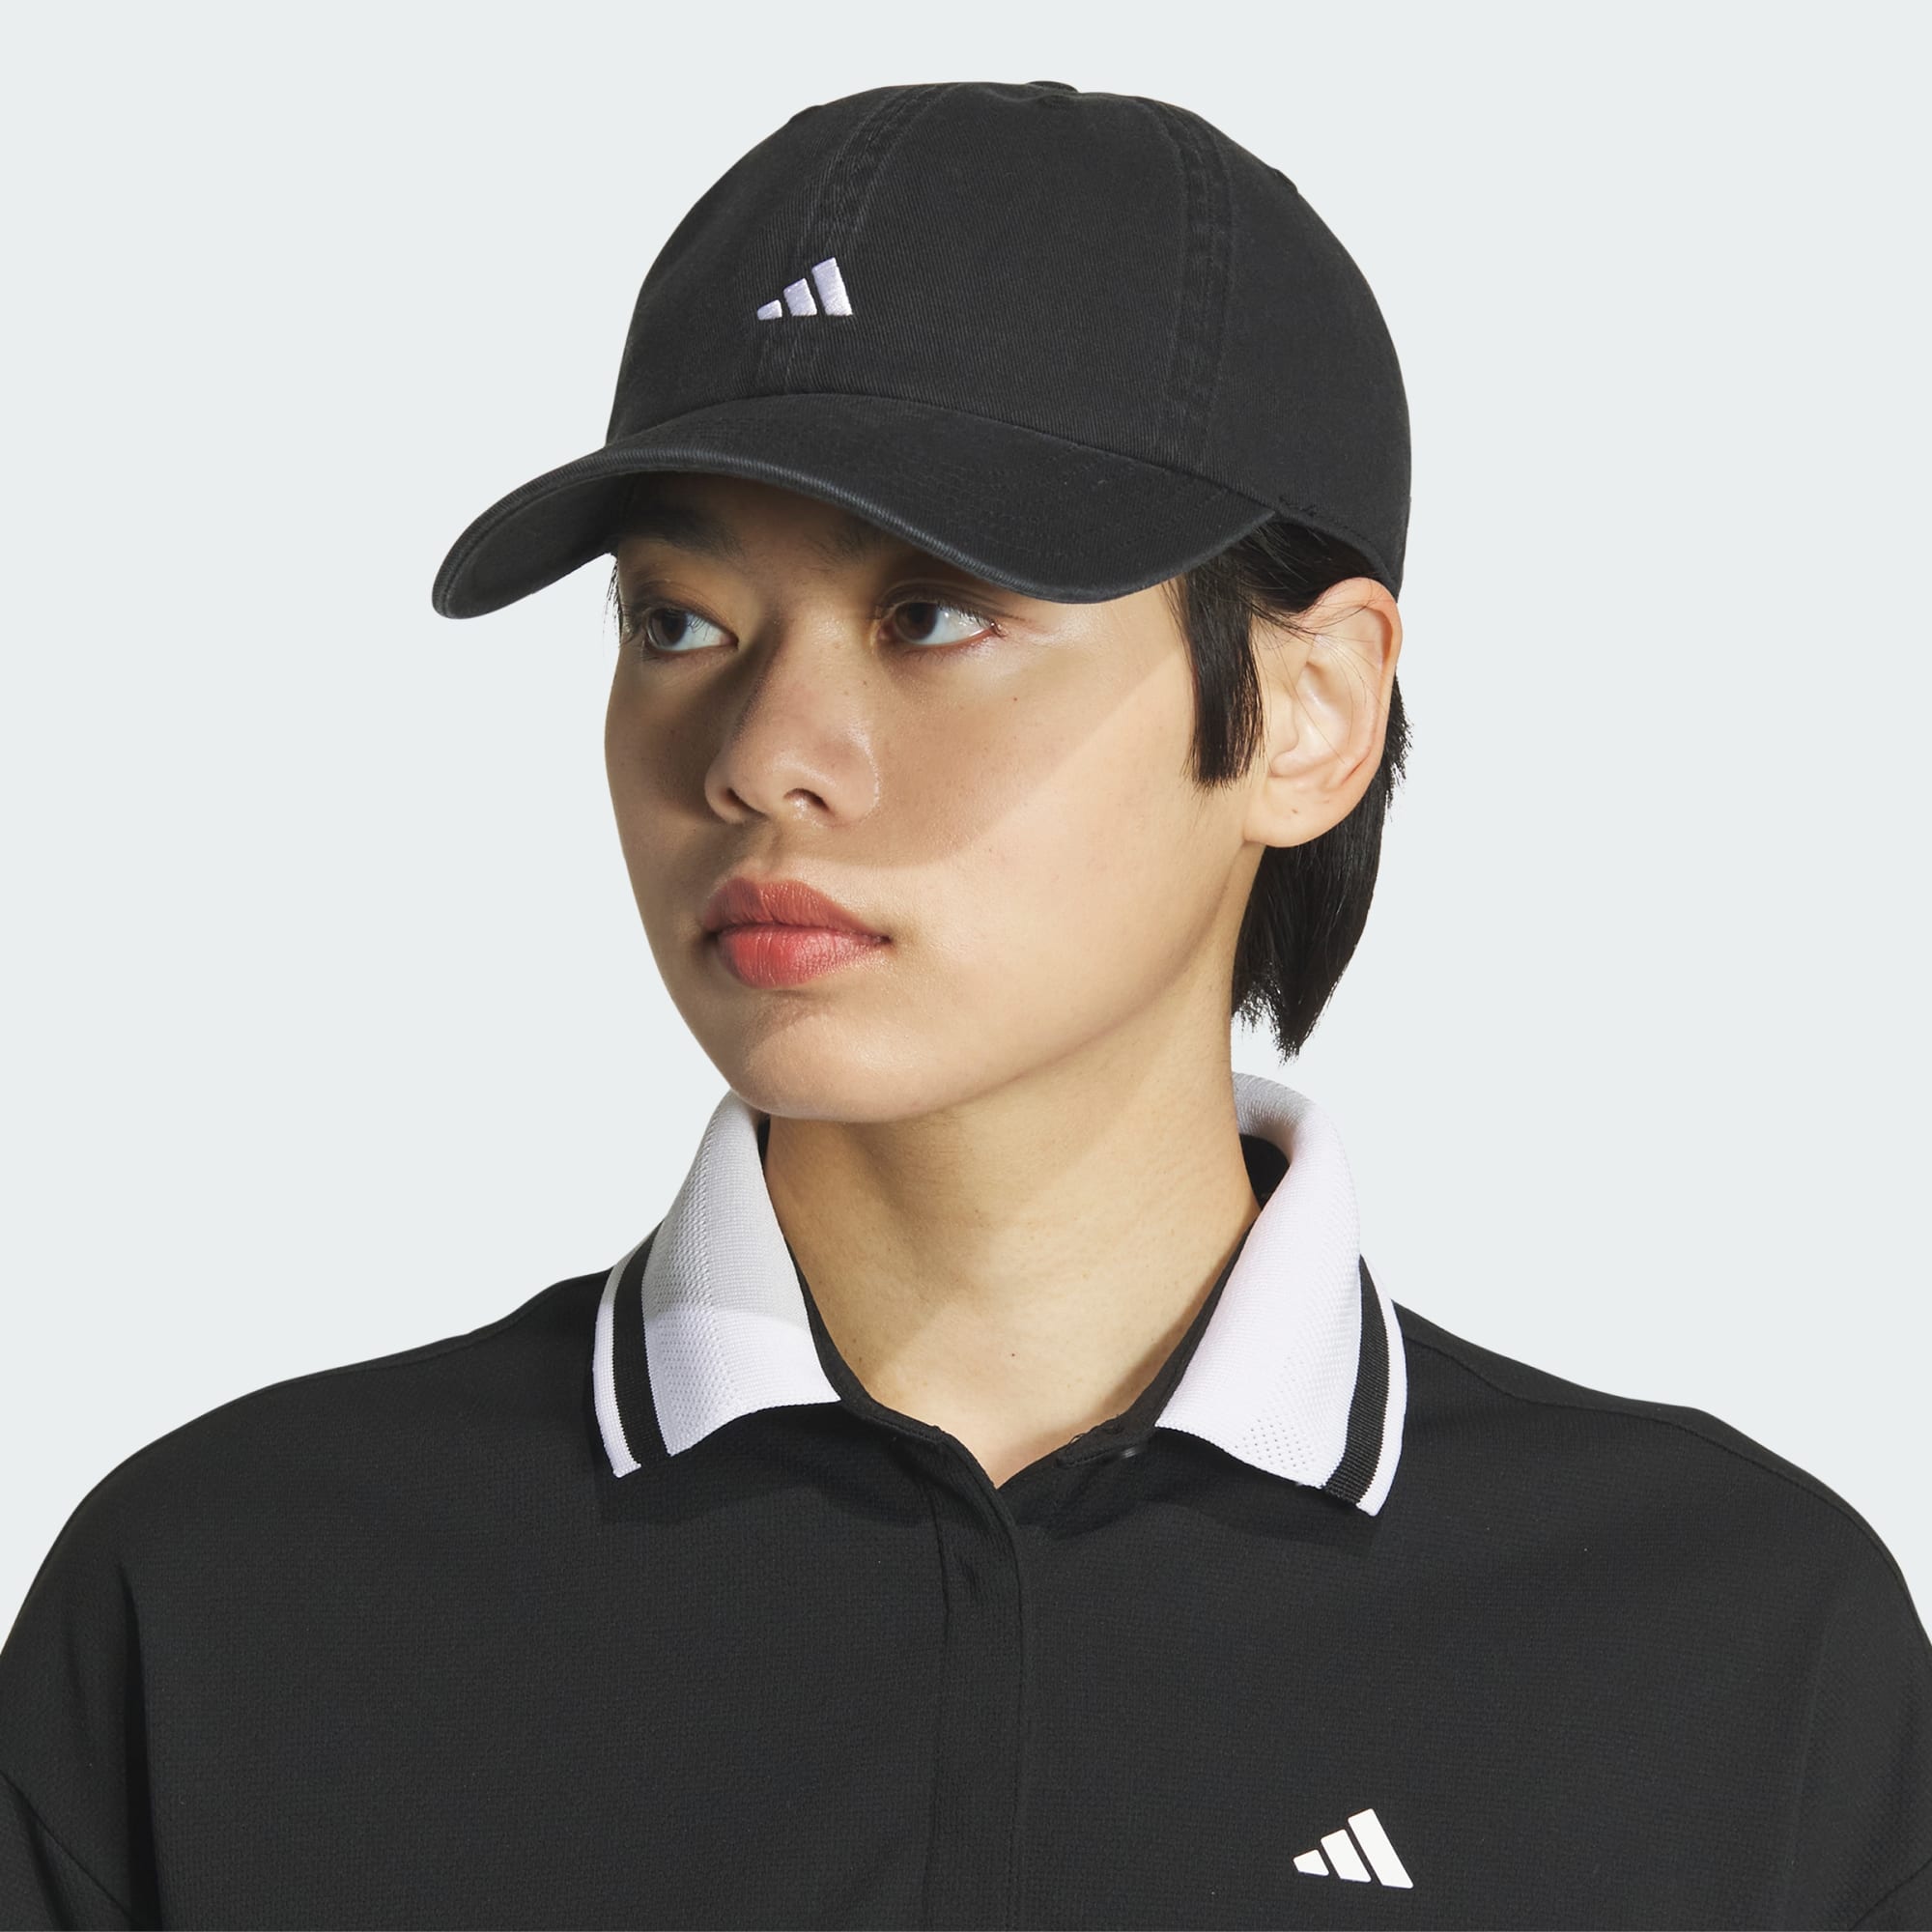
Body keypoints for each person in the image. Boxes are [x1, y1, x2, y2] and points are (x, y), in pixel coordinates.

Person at [2, 77, 1926, 1932]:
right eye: (679, 622)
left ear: (1307, 714)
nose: (761, 755)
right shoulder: (225, 1611)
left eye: (931, 616)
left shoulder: (1738, 1662)